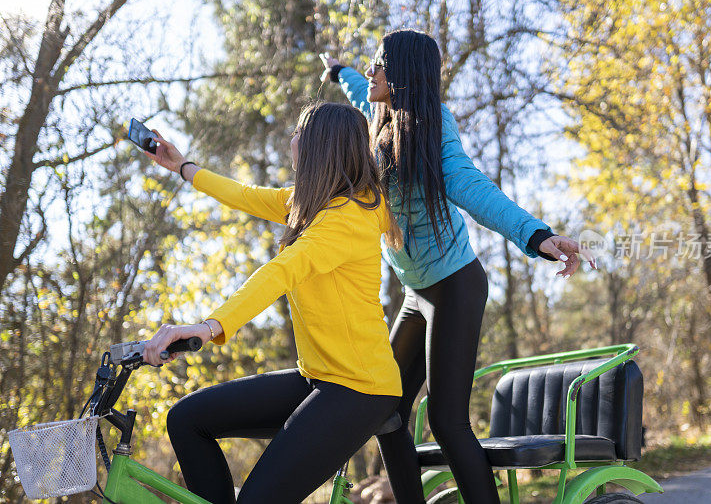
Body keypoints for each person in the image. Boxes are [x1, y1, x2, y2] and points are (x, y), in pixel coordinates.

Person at [320, 29, 597, 503]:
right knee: (385, 413)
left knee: (447, 421)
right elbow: (356, 86)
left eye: (379, 63)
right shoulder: (375, 116)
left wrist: (536, 235)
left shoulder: (433, 126)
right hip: (415, 294)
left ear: (404, 75)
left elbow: (473, 188)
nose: (372, 70)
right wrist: (337, 70)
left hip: (455, 286)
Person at [140, 102, 403, 504]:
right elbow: (243, 194)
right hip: (318, 377)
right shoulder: (311, 203)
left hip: (359, 388)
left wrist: (210, 327)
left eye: (300, 133)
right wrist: (182, 166)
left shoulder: (346, 218)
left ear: (321, 146)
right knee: (186, 419)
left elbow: (279, 272)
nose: (292, 139)